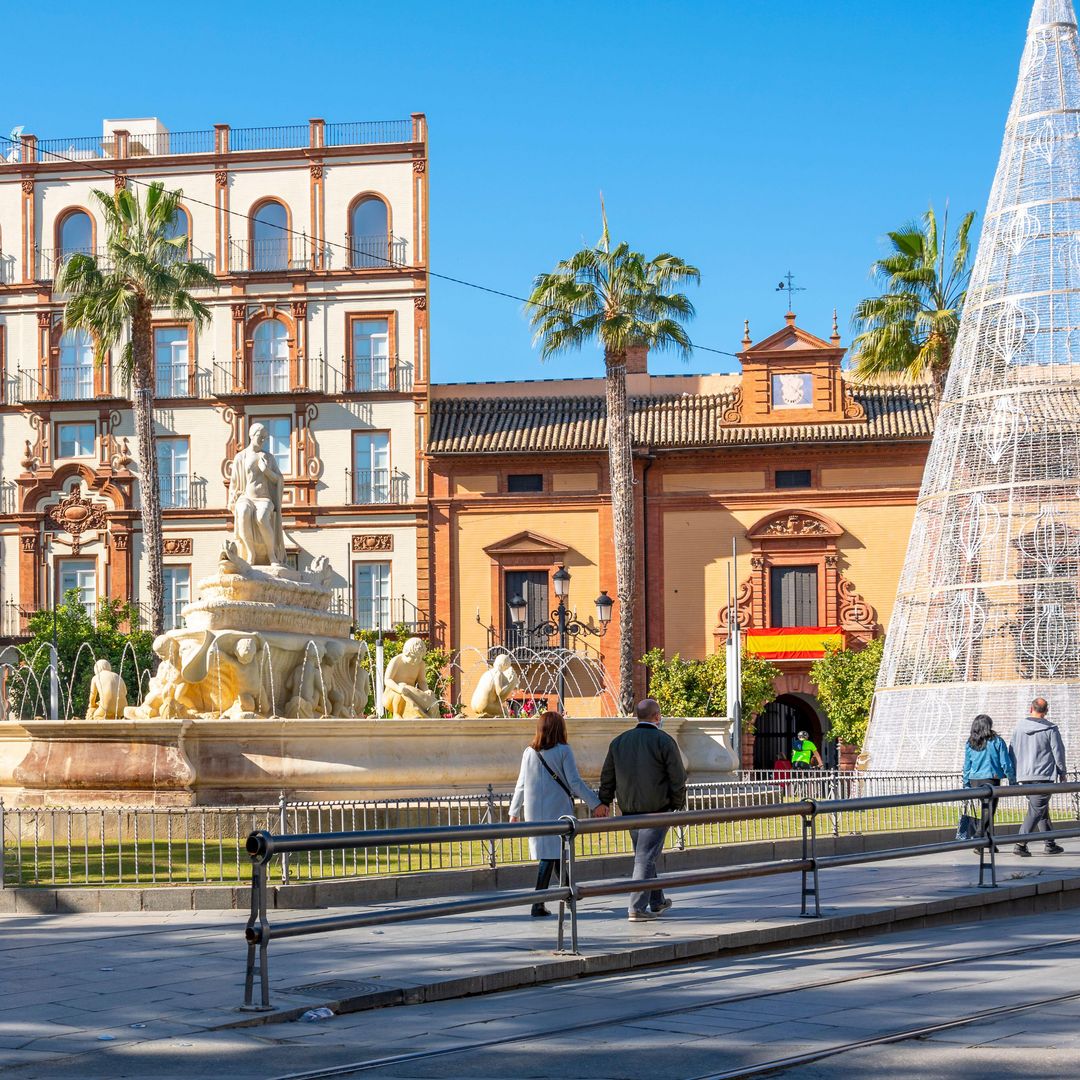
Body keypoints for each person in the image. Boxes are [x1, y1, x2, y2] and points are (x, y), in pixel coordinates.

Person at [597, 698, 687, 922]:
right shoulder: (663, 741)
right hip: (657, 808)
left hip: (629, 810)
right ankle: (636, 908)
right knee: (645, 857)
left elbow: (608, 776)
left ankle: (656, 901)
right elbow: (677, 777)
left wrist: (604, 801)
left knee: (645, 854)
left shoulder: (619, 742)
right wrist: (677, 804)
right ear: (657, 716)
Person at [509, 711, 606, 917]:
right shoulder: (563, 750)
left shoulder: (529, 752)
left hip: (534, 810)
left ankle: (568, 894)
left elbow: (521, 784)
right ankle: (539, 902)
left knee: (554, 853)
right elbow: (574, 783)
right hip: (558, 809)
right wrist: (595, 803)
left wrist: (514, 811)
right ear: (560, 729)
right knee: (550, 854)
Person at [1009, 697, 1067, 857]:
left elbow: (1011, 751)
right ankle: (1020, 843)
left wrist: (1014, 774)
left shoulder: (1018, 728)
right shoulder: (1051, 729)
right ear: (1046, 711)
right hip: (1043, 776)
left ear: (1030, 709)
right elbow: (1058, 752)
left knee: (1041, 809)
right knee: (1036, 810)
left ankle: (1050, 844)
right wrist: (1062, 772)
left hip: (1024, 776)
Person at [961, 714, 1015, 848]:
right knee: (989, 811)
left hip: (974, 780)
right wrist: (1012, 779)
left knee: (987, 810)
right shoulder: (997, 741)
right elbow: (1005, 763)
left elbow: (967, 765)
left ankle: (990, 843)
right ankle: (978, 838)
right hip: (991, 779)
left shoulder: (970, 743)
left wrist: (966, 782)